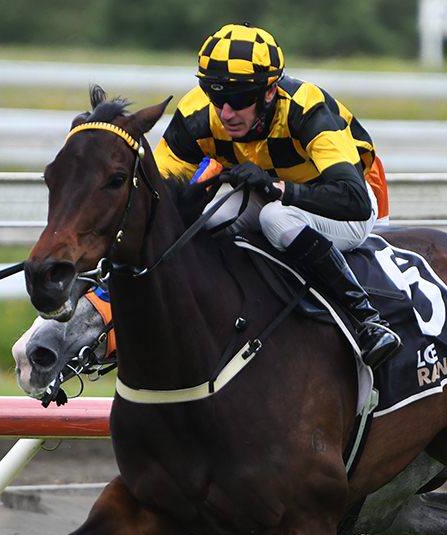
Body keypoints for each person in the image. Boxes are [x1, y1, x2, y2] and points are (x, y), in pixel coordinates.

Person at [154, 22, 401, 369]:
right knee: (210, 220)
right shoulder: (197, 113)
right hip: (275, 196)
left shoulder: (306, 108)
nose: (225, 113)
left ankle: (368, 322)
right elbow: (155, 191)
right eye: (215, 96)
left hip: (351, 203)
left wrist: (276, 188)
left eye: (237, 99)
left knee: (276, 218)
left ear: (269, 92)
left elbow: (352, 199)